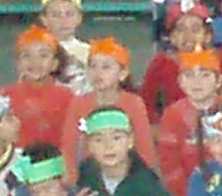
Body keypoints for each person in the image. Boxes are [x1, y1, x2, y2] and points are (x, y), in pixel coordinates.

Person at [59, 37, 157, 174]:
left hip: (126, 173)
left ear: (122, 74)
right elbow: (69, 148)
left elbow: (144, 148)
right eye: (92, 66)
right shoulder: (78, 103)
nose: (97, 73)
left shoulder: (134, 103)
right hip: (88, 174)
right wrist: (72, 180)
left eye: (106, 67)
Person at [139, 0, 222, 123]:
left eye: (195, 30)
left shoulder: (219, 58)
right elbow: (146, 102)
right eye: (180, 29)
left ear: (207, 36)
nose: (188, 36)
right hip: (176, 125)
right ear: (172, 37)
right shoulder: (162, 62)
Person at [156, 50, 222, 196]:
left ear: (219, 80)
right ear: (179, 81)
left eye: (205, 75)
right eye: (189, 75)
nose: (197, 82)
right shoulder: (172, 115)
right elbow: (169, 165)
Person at [1, 25, 74, 150]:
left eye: (43, 56)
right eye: (26, 56)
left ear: (54, 64)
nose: (34, 61)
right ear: (18, 64)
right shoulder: (5, 96)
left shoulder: (68, 96)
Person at [38, 0, 90, 94]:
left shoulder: (88, 52)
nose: (63, 20)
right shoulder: (36, 52)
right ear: (44, 19)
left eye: (69, 14)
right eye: (56, 15)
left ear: (79, 18)